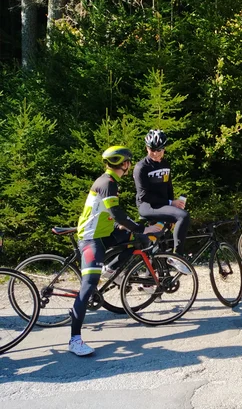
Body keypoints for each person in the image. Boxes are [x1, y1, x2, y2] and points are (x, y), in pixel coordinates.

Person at [70, 146, 160, 356]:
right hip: (91, 239)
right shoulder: (107, 183)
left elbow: (112, 215)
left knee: (136, 241)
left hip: (104, 234)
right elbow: (117, 213)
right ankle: (75, 339)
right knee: (89, 285)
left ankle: (111, 269)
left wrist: (134, 230)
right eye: (128, 161)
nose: (129, 164)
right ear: (124, 163)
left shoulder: (109, 181)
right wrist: (141, 227)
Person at [133, 129, 190, 263]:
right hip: (147, 206)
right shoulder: (141, 167)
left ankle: (149, 280)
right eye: (152, 149)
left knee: (160, 245)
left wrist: (172, 209)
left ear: (164, 149)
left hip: (162, 205)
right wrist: (171, 203)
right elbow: (144, 195)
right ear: (147, 148)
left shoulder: (165, 164)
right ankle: (178, 258)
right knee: (184, 216)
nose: (155, 153)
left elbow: (168, 187)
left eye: (159, 150)